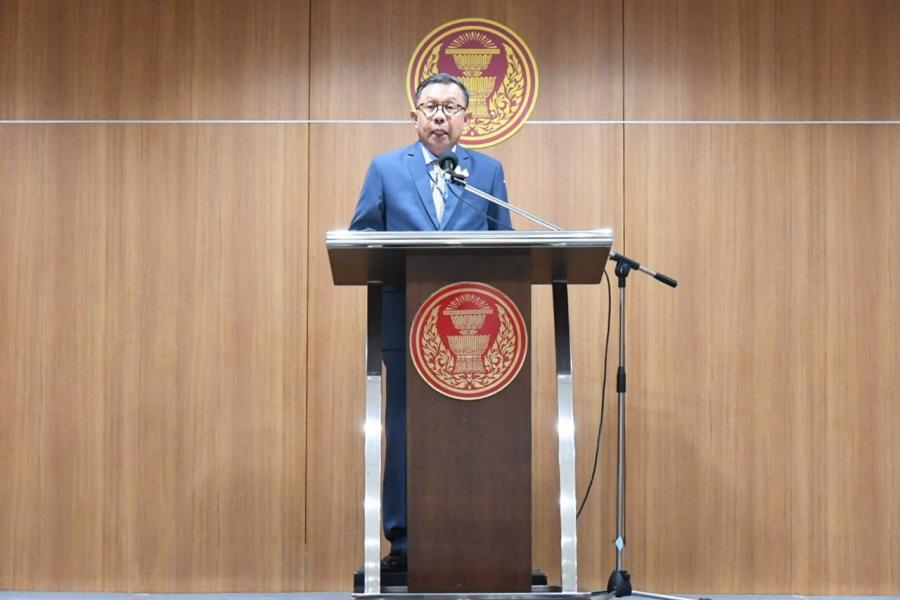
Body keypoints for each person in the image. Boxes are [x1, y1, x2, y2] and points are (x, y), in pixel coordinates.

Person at [349, 73, 512, 571]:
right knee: (403, 426)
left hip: (474, 327)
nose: (440, 115)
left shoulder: (487, 171)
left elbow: (505, 245)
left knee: (474, 428)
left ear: (467, 118)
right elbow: (361, 238)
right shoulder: (385, 169)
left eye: (450, 107)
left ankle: (474, 526)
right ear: (414, 116)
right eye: (431, 106)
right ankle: (402, 538)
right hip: (406, 318)